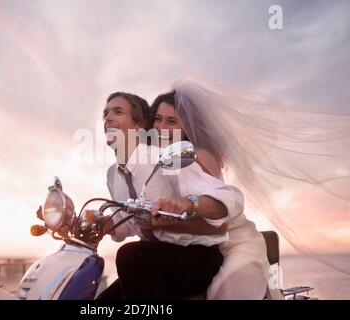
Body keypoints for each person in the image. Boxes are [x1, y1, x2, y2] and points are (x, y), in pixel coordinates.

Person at [98, 92, 245, 299]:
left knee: (130, 256)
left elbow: (232, 197)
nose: (108, 118)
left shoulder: (165, 158)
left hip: (197, 256)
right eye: (105, 114)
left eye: (118, 112)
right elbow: (124, 226)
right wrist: (101, 223)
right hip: (154, 256)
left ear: (139, 126)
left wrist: (187, 204)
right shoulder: (113, 173)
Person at [150, 89, 270, 299]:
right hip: (199, 244)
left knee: (222, 293)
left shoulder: (198, 156)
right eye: (157, 119)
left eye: (171, 121)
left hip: (233, 243)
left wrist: (182, 208)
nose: (161, 127)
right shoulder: (166, 158)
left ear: (187, 128)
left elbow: (216, 211)